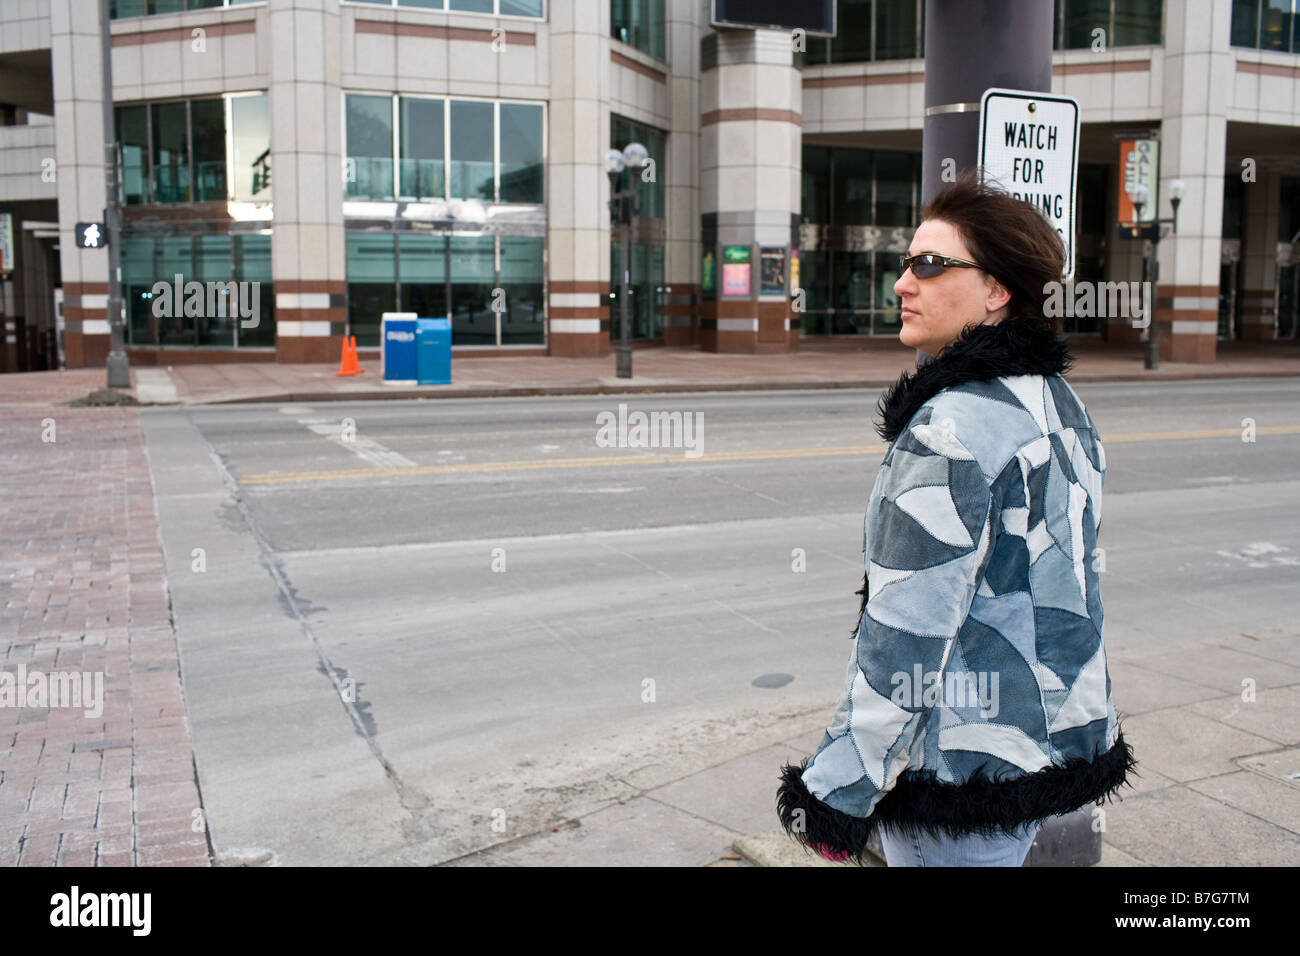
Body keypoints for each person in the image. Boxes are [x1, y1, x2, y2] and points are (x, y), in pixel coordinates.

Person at [776, 169, 1137, 867]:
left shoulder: (950, 429)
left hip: (958, 771)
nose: (902, 284)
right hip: (1032, 755)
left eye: (931, 265)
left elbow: (906, 637)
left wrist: (837, 796)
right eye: (906, 264)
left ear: (998, 290)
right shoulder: (1061, 404)